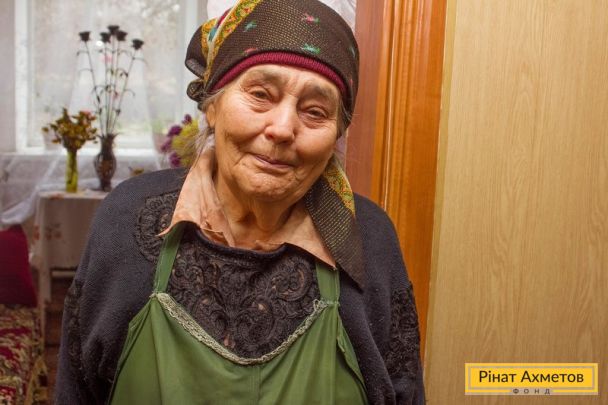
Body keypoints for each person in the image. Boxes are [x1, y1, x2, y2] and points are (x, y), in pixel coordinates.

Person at [55, 0, 425, 404]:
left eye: (315, 111)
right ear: (212, 104)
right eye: (261, 94)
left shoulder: (368, 237)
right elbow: (77, 391)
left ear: (337, 133)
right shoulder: (127, 220)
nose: (282, 128)